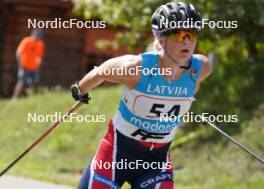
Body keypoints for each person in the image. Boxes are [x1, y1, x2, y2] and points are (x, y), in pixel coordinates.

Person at [71, 2, 212, 189]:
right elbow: (101, 72)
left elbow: (188, 91)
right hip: (115, 156)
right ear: (161, 39)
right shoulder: (136, 68)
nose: (187, 40)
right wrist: (80, 90)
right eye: (178, 34)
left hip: (157, 163)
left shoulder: (201, 68)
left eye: (192, 33)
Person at [12, 28, 45, 99]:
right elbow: (18, 53)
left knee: (34, 83)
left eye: (39, 35)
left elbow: (40, 56)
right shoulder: (26, 41)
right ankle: (15, 98)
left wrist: (38, 64)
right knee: (21, 82)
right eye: (37, 34)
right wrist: (20, 66)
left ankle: (32, 98)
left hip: (35, 68)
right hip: (24, 67)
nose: (38, 36)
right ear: (33, 34)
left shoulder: (40, 44)